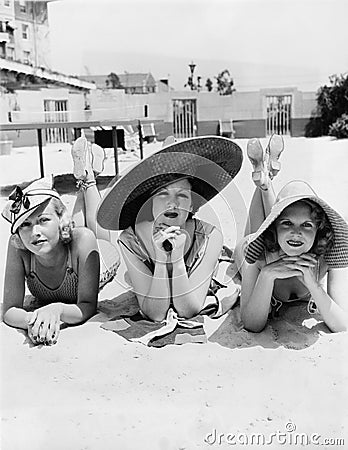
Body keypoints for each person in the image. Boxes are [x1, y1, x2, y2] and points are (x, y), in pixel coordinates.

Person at [97, 135, 243, 322]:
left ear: (192, 205)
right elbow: (155, 314)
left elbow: (187, 310)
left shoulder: (210, 237)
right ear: (149, 203)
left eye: (182, 195)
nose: (172, 203)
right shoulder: (131, 241)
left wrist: (176, 261)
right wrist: (160, 260)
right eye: (162, 194)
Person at [1, 134, 120, 345]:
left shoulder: (82, 240)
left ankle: (88, 179)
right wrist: (34, 319)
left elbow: (87, 306)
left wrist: (56, 310)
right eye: (25, 225)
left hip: (101, 258)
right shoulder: (19, 247)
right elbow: (9, 310)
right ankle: (83, 172)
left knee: (95, 232)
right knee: (74, 231)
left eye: (43, 220)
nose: (34, 231)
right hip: (69, 242)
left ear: (61, 220)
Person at [235, 135, 348, 333]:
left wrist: (314, 287)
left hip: (276, 237)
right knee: (257, 232)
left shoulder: (328, 257)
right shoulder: (257, 256)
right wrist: (267, 275)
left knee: (282, 219)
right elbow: (252, 324)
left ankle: (265, 178)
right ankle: (265, 182)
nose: (297, 232)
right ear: (272, 229)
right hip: (250, 249)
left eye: (307, 225)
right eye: (288, 224)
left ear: (319, 230)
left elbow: (343, 325)